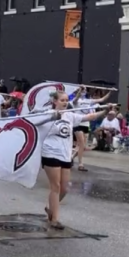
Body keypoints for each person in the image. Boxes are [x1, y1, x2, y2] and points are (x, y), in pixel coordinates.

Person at [40, 92, 113, 229]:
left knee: (65, 188)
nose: (65, 102)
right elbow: (36, 123)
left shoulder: (70, 115)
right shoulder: (47, 114)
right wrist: (51, 116)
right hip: (50, 153)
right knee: (55, 186)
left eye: (67, 100)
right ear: (55, 101)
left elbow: (89, 116)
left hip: (65, 154)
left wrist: (104, 111)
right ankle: (54, 219)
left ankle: (50, 207)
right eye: (62, 100)